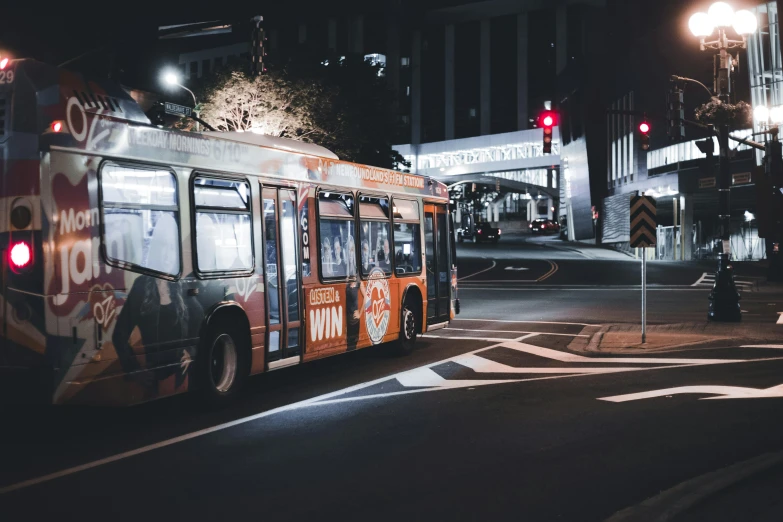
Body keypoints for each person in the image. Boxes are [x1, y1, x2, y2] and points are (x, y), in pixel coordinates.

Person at [112, 214, 203, 399]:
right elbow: (119, 335)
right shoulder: (141, 285)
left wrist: (191, 351)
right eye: (162, 246)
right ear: (155, 249)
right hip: (152, 384)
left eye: (171, 247)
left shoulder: (181, 284)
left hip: (181, 380)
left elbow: (201, 322)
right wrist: (134, 370)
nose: (166, 254)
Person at [345, 237, 360, 351]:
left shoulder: (356, 271)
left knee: (353, 344)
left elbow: (366, 295)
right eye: (348, 250)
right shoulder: (343, 268)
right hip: (346, 315)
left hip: (354, 316)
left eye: (352, 250)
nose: (350, 253)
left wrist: (360, 312)